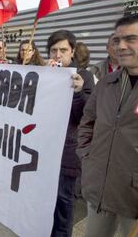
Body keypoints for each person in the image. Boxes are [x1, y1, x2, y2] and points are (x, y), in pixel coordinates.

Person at [77, 14, 138, 237]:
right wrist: (87, 156)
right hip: (99, 190)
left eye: (130, 39)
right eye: (116, 40)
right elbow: (87, 122)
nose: (120, 46)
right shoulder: (107, 83)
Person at [46, 30, 94, 237]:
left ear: (72, 51)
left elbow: (85, 117)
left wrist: (78, 93)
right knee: (45, 201)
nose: (58, 55)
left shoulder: (84, 77)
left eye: (63, 50)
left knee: (64, 204)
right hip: (44, 149)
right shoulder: (44, 74)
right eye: (54, 50)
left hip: (68, 153)